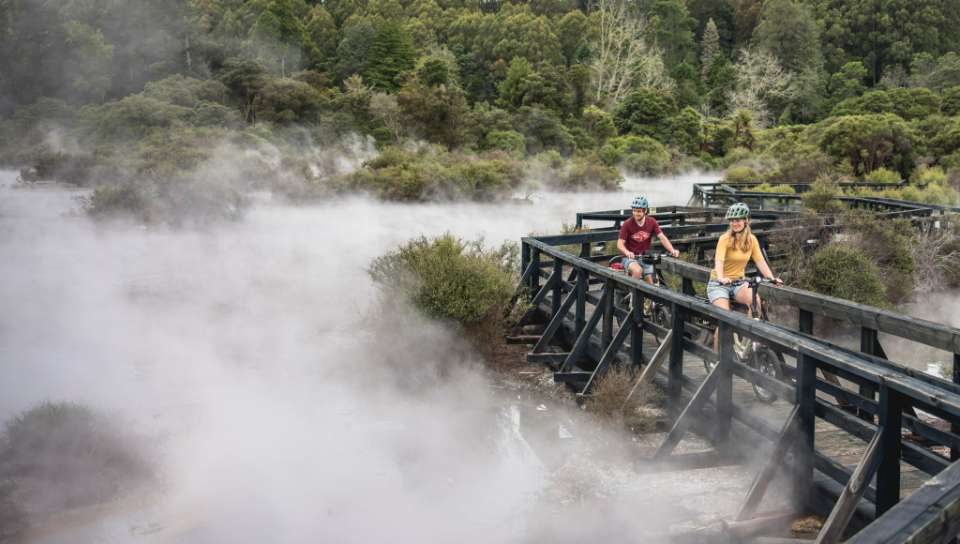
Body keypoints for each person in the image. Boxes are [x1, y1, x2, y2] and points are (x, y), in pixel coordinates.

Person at [617, 196, 680, 286]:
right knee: (638, 271)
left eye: (639, 211)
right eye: (634, 210)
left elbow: (662, 237)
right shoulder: (627, 224)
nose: (635, 213)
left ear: (645, 211)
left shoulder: (652, 222)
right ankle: (632, 296)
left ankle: (650, 297)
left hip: (645, 256)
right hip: (629, 257)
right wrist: (627, 252)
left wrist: (672, 250)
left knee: (651, 285)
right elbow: (619, 244)